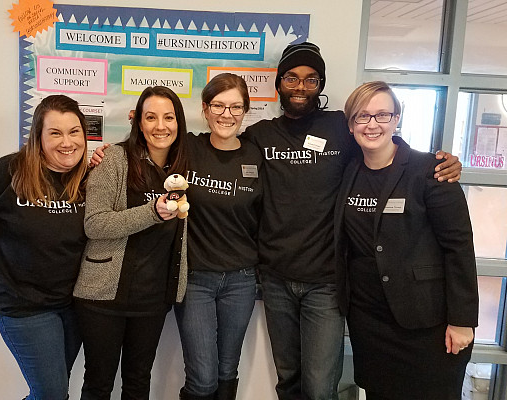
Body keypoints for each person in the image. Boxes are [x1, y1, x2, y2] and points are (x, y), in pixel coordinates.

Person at [241, 42, 463, 399]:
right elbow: (215, 152)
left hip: (328, 282)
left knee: (319, 385)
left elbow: (381, 143)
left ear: (321, 85)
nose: (301, 87)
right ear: (278, 83)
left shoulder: (341, 128)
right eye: (293, 78)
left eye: (311, 80)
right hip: (276, 278)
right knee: (288, 378)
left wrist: (440, 161)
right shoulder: (259, 135)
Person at [334, 81, 478, 400]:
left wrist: (462, 319)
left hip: (426, 322)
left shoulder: (431, 171)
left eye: (382, 115)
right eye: (362, 116)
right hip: (370, 321)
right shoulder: (348, 171)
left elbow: (459, 246)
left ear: (397, 118)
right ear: (351, 124)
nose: (372, 124)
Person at [0, 94, 89, 400]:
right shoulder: (6, 172)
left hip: (73, 304)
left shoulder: (87, 178)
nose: (67, 142)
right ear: (38, 137)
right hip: (23, 306)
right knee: (52, 394)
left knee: (52, 390)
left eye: (74, 131)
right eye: (55, 133)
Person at [73, 85, 189, 399]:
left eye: (168, 117)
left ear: (179, 122)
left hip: (152, 298)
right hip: (103, 296)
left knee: (138, 382)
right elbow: (95, 224)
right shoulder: (113, 158)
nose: (160, 126)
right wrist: (152, 211)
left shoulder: (184, 167)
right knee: (98, 383)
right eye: (151, 117)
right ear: (138, 122)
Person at [175, 73, 262, 400]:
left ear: (245, 111)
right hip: (195, 279)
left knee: (228, 371)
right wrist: (103, 155)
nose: (227, 114)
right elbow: (147, 144)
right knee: (202, 379)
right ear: (206, 109)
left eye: (236, 107)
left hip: (241, 280)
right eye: (219, 106)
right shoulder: (188, 146)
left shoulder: (255, 156)